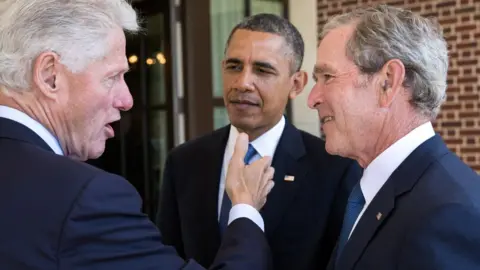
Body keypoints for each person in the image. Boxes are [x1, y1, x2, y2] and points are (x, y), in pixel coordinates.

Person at [0, 0, 276, 269]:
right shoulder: (85, 198)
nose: (127, 100)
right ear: (50, 76)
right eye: (112, 77)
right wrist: (245, 208)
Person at [157, 13, 362, 270]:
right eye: (234, 66)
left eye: (263, 70)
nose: (243, 83)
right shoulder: (184, 161)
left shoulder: (334, 168)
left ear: (296, 84)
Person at [308, 4, 480, 270]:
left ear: (387, 82)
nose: (313, 99)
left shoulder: (446, 214)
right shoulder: (377, 188)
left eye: (327, 77)